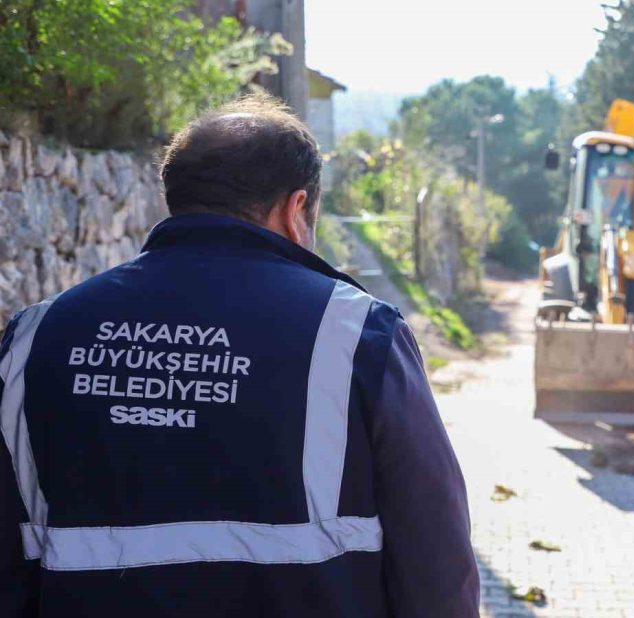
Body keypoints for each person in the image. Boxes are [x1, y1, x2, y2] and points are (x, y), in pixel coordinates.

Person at [0, 95, 479, 617]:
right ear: (295, 209)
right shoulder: (357, 333)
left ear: (177, 199)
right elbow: (436, 556)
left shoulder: (35, 335)